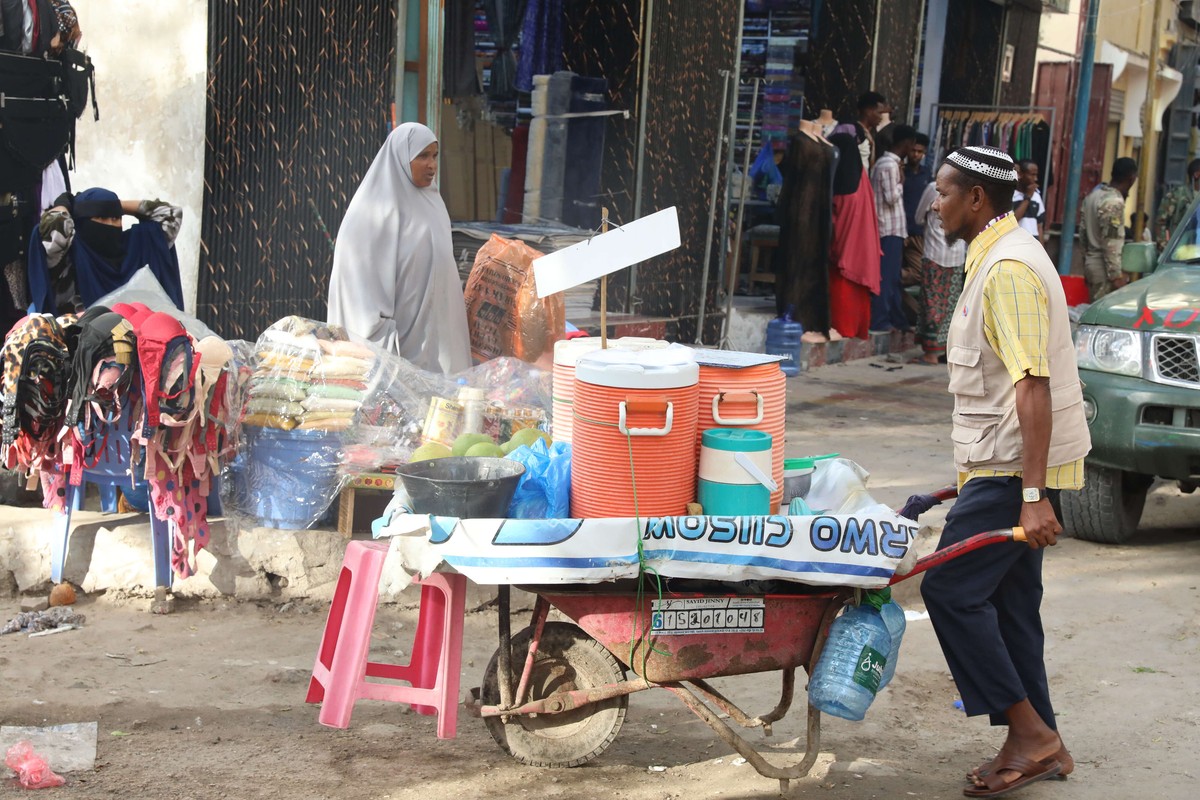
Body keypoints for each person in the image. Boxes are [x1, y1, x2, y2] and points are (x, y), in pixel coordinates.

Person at [923, 145, 1090, 798]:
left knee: (950, 591)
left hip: (1014, 471)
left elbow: (1032, 386)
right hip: (1001, 465)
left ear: (976, 200)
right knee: (1013, 607)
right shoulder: (992, 255)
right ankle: (1043, 740)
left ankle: (1031, 734)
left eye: (942, 193)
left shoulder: (1009, 270)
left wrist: (1031, 496)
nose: (934, 205)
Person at [327, 122, 470, 375]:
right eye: (422, 156)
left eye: (435, 156)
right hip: (398, 344)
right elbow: (360, 290)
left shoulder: (434, 205)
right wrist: (382, 346)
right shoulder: (372, 213)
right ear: (402, 159)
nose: (432, 165)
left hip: (435, 338)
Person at [26, 189, 185, 315]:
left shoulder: (137, 245)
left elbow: (170, 214)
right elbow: (55, 227)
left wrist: (115, 205)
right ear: (81, 221)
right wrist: (64, 205)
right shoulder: (68, 251)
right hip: (78, 345)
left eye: (116, 218)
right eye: (102, 217)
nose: (110, 224)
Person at [911, 179, 965, 364]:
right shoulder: (965, 190)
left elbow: (918, 217)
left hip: (935, 253)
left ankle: (931, 353)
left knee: (932, 302)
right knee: (951, 306)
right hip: (957, 255)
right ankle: (945, 351)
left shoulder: (932, 188)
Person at [869, 123, 915, 333]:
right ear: (906, 143)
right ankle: (880, 320)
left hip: (894, 229)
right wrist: (900, 182)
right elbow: (890, 198)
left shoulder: (890, 164)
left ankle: (897, 319)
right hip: (887, 229)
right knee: (887, 277)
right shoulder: (888, 165)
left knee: (893, 277)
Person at [1081, 157, 1137, 301]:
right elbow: (1111, 242)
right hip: (1104, 270)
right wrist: (1116, 275)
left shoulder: (1093, 196)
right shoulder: (1114, 202)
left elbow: (1083, 235)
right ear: (1132, 178)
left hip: (1092, 264)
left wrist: (1086, 264)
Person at [902, 132, 932, 325]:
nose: (916, 154)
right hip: (898, 232)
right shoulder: (899, 171)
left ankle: (890, 281)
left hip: (918, 234)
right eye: (913, 150)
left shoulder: (928, 176)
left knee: (920, 274)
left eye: (920, 151)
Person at [1153, 158, 1200, 251]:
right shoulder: (1177, 195)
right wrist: (1165, 247)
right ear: (1197, 174)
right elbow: (1160, 221)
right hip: (1180, 253)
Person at [1013, 160, 1045, 242]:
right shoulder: (1011, 196)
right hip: (1016, 243)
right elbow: (1012, 221)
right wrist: (1027, 197)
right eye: (1032, 175)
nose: (1036, 179)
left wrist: (1042, 251)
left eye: (1036, 175)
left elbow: (1039, 227)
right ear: (1020, 174)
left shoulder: (1037, 197)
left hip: (1033, 245)